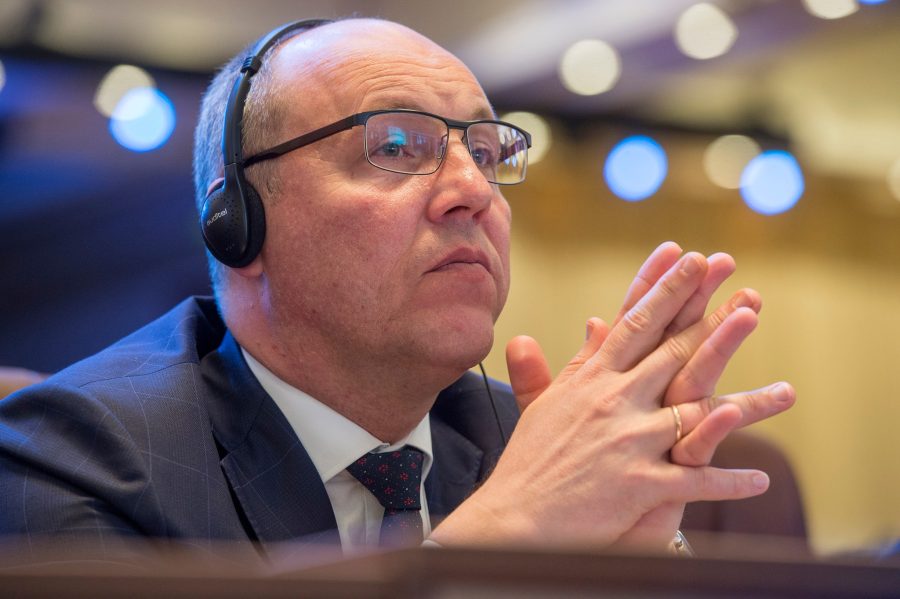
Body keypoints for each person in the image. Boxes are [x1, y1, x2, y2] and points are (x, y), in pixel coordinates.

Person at [0, 17, 794, 558]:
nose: (473, 190)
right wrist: (505, 531)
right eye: (396, 147)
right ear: (236, 222)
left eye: (486, 152)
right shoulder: (72, 457)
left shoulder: (524, 439)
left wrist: (635, 569)